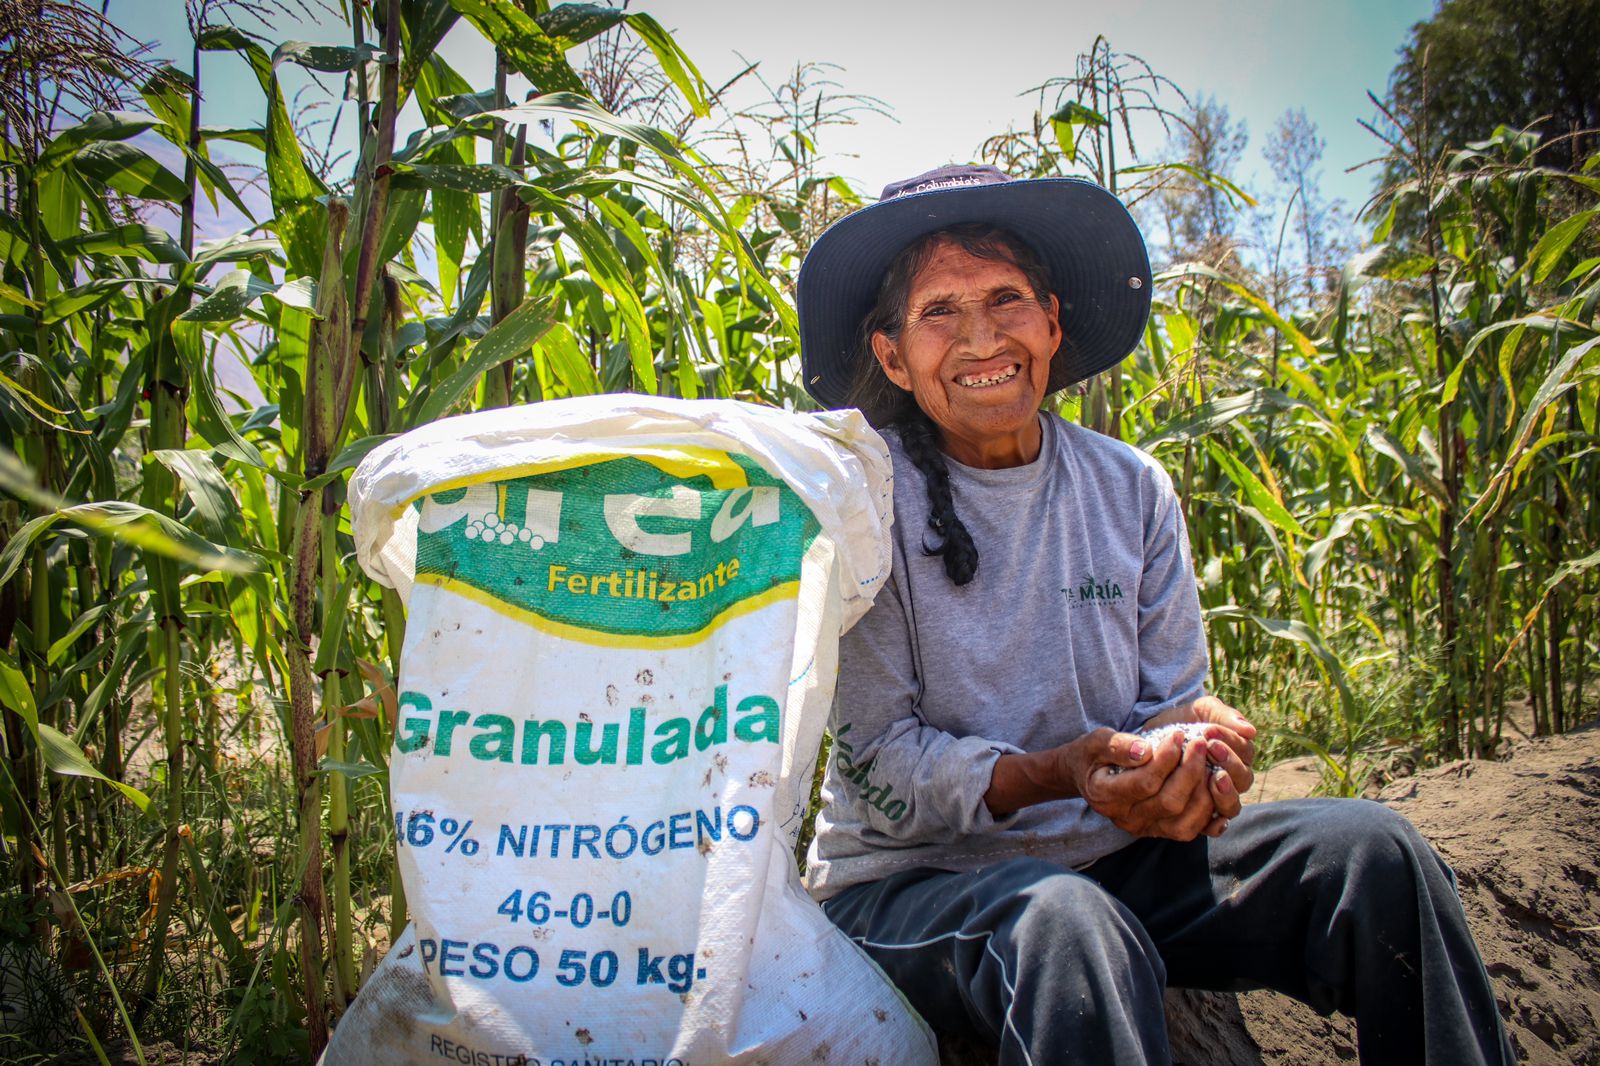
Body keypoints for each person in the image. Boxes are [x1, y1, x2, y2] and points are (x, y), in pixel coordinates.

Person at [794, 164, 1511, 1066]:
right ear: (894, 355)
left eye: (1006, 299)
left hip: (1108, 860)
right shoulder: (865, 502)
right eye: (940, 310)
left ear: (1051, 323)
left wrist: (1189, 752)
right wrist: (1057, 773)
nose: (981, 337)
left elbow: (1167, 703)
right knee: (1067, 925)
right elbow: (882, 766)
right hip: (914, 887)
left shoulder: (1129, 488)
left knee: (1377, 856)